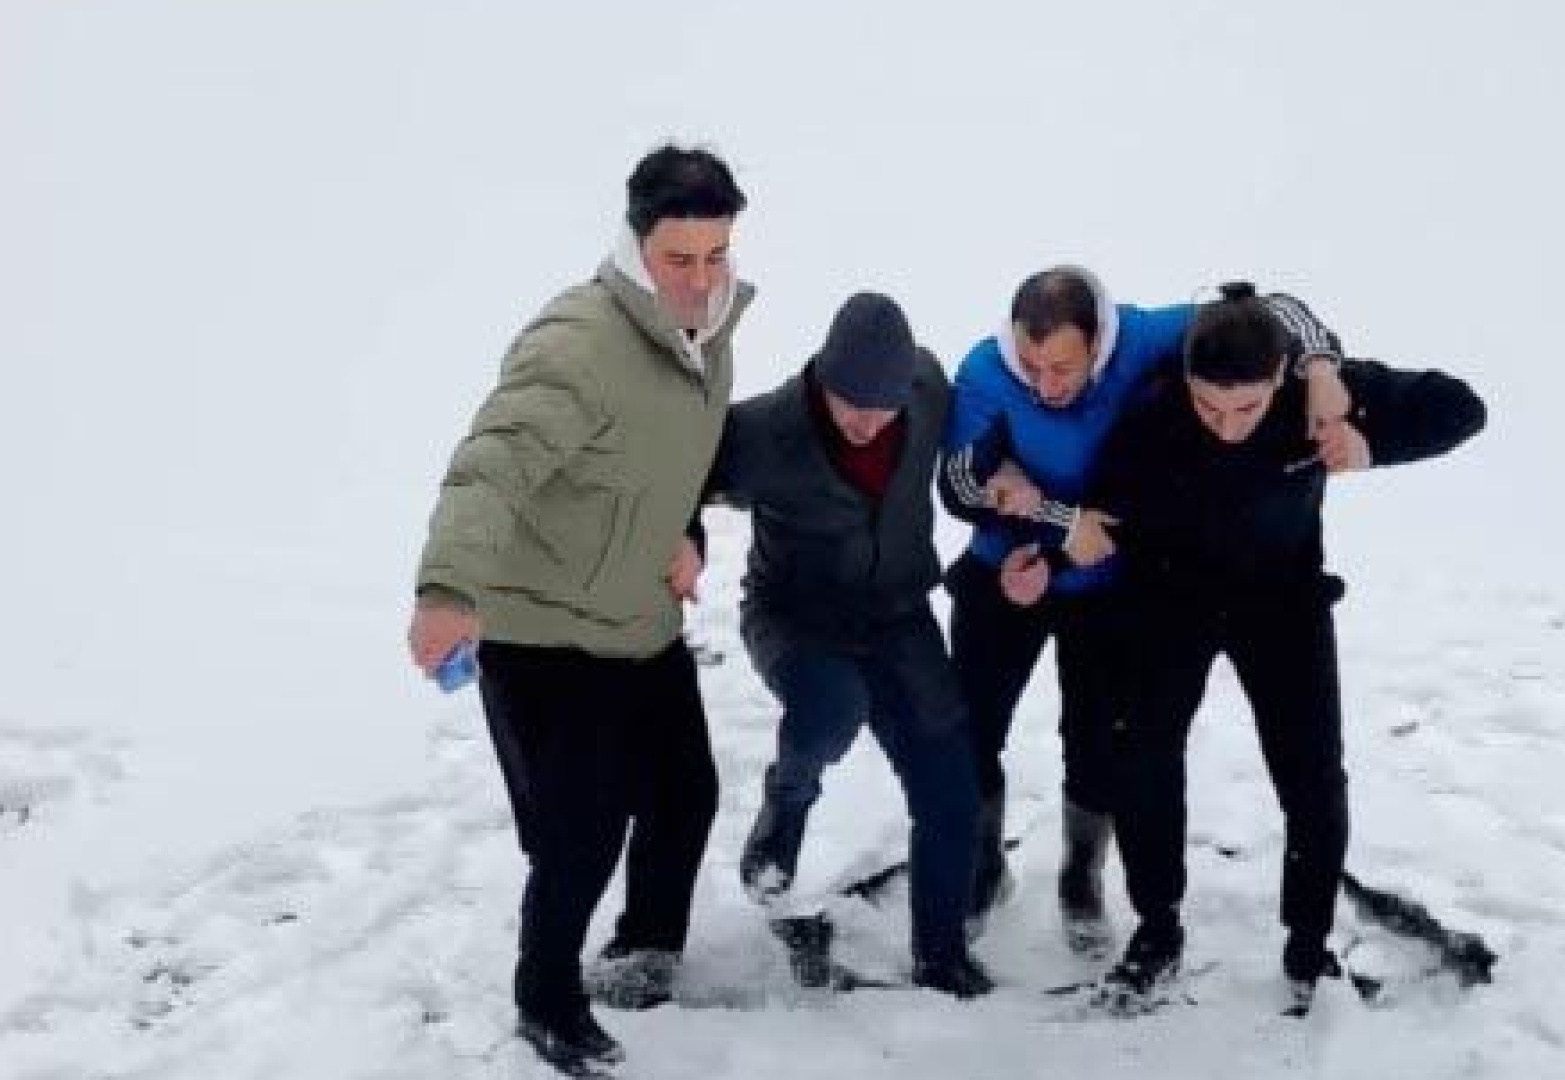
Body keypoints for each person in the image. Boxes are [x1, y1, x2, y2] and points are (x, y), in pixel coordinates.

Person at [406, 143, 750, 1074]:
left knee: (687, 795)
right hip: (543, 625)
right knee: (581, 829)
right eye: (680, 259)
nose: (700, 278)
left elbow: (672, 466)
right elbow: (494, 465)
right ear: (638, 247)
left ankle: (644, 950)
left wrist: (691, 538)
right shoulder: (578, 342)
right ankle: (546, 997)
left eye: (716, 255)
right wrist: (446, 590)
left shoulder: (709, 335)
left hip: (637, 616)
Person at [1083, 282, 1486, 1017]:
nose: (1227, 426)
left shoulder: (1320, 392)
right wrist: (1084, 530)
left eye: (1246, 408)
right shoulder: (1153, 412)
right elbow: (1105, 502)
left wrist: (1370, 444)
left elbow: (1463, 408)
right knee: (1142, 757)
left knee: (1312, 778)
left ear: (1279, 377)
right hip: (1171, 600)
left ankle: (1308, 946)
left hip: (1283, 603)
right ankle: (1157, 928)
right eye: (1209, 407)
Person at [937, 266, 1350, 954]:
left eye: (1062, 367)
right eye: (1031, 365)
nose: (1045, 384)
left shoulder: (1147, 335)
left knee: (1100, 742)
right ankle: (982, 869)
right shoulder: (984, 371)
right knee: (970, 731)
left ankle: (1082, 875)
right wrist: (1031, 505)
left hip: (1107, 580)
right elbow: (955, 482)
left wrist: (1321, 363)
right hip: (1008, 570)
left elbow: (1266, 309)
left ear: (1099, 342)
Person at [702, 292, 992, 998]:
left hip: (896, 613)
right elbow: (676, 476)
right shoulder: (767, 431)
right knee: (832, 708)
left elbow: (988, 428)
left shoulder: (924, 389)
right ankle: (788, 802)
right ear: (821, 379)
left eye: (881, 406)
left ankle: (942, 956)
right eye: (849, 402)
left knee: (953, 788)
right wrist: (683, 538)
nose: (866, 420)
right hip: (794, 618)